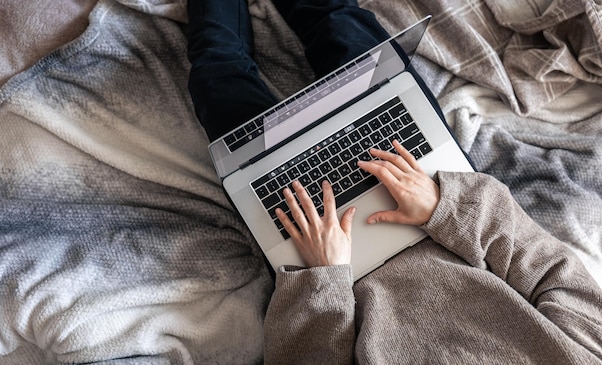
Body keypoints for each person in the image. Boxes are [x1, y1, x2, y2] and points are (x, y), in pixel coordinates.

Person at [186, 0, 602, 363]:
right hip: (430, 199)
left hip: (328, 261)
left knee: (217, 72)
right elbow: (552, 270)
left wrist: (323, 277)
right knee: (338, 24)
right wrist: (443, 206)